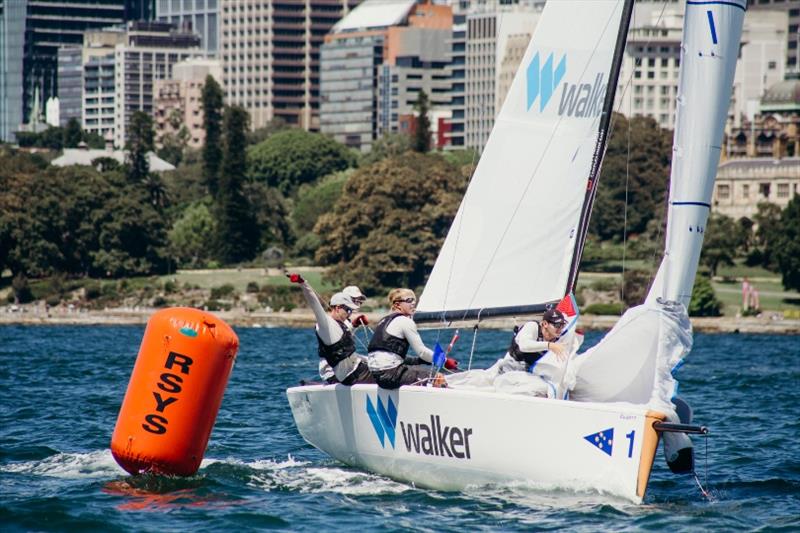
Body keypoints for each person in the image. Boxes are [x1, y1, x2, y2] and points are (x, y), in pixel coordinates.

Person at [288, 273, 373, 385]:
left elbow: (342, 339)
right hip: (334, 373)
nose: (351, 312)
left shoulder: (341, 323)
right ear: (338, 308)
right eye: (349, 309)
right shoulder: (326, 324)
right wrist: (303, 283)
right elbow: (314, 304)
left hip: (350, 369)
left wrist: (354, 325)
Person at [367, 288, 456, 389]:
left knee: (418, 370)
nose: (413, 303)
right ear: (397, 305)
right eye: (409, 300)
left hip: (377, 375)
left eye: (414, 300)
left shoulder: (383, 321)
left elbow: (392, 355)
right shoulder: (405, 321)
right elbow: (422, 352)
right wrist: (444, 361)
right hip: (390, 374)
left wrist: (420, 361)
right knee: (437, 378)